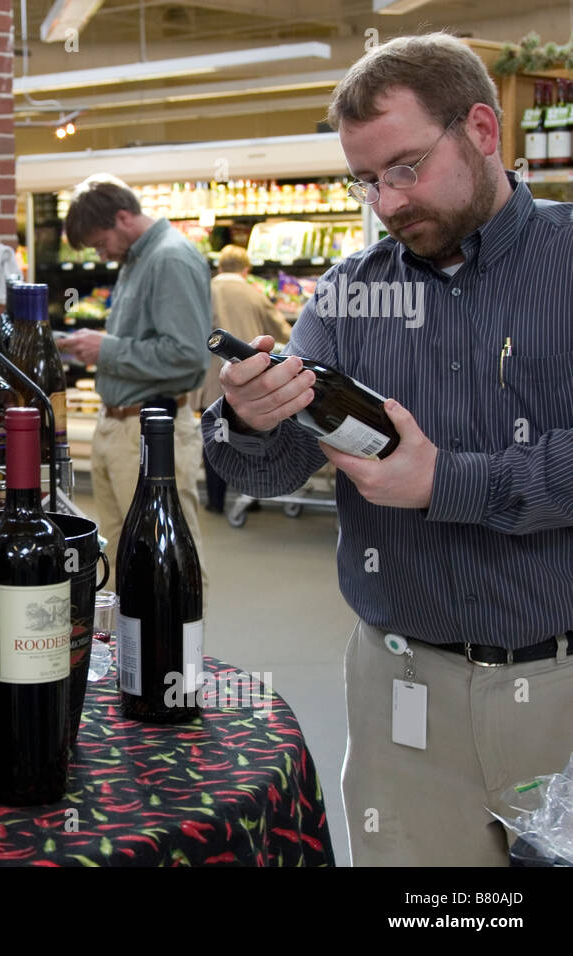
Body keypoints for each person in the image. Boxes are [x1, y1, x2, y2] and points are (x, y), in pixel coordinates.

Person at [202, 33, 573, 866]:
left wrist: (449, 481)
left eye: (404, 168)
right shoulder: (348, 293)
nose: (387, 203)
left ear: (482, 129)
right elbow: (275, 467)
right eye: (365, 180)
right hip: (400, 689)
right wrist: (252, 421)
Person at [58, 174, 211, 578]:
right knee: (120, 554)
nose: (103, 255)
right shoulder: (137, 259)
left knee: (168, 558)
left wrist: (105, 348)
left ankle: (180, 643)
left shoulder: (170, 258)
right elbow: (145, 341)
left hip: (151, 429)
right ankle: (130, 643)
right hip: (117, 427)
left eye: (100, 243)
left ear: (123, 218)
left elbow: (187, 356)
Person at [195, 245, 291, 513]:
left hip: (211, 376)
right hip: (249, 376)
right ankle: (250, 497)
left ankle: (215, 501)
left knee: (215, 434)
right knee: (249, 434)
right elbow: (281, 331)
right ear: (246, 269)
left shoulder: (204, 290)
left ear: (220, 267)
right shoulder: (254, 294)